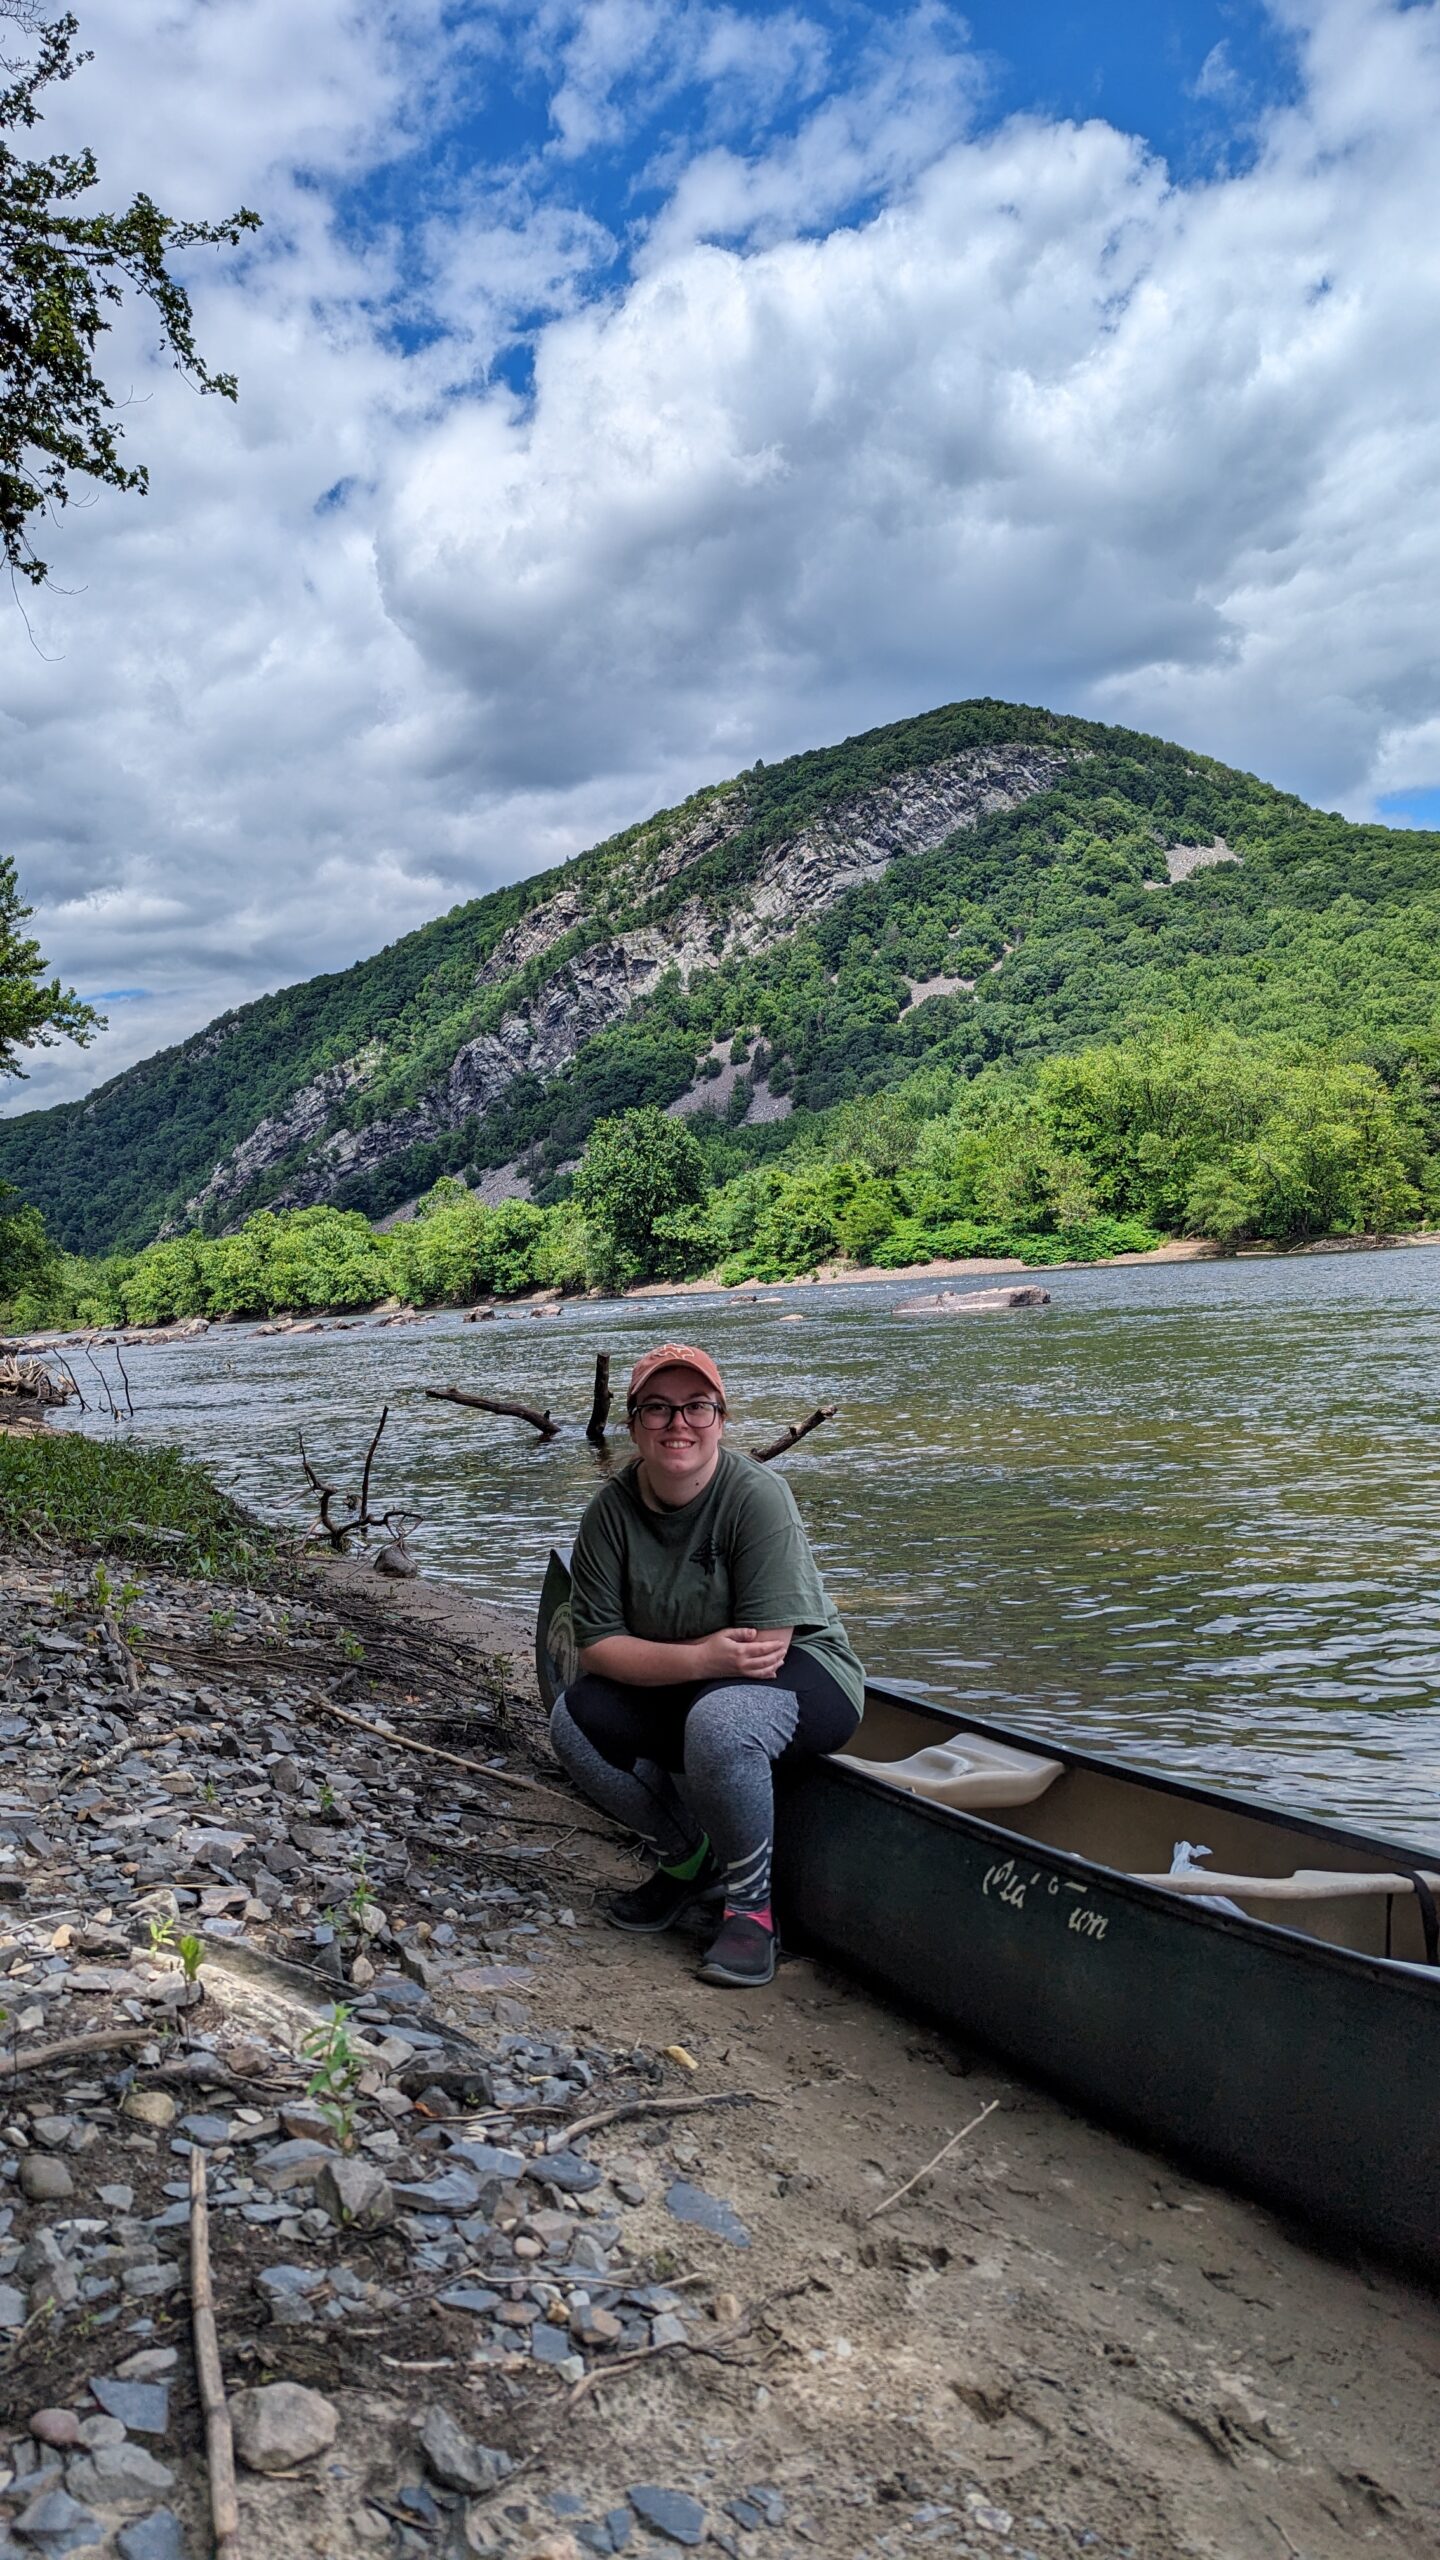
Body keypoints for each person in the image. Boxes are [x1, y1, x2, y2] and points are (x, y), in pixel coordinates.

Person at [548, 1342, 865, 1987]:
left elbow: (762, 1648)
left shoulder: (756, 1495)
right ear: (632, 1424)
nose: (678, 1425)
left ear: (720, 1418)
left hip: (804, 1675)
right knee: (572, 1720)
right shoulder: (608, 1514)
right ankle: (687, 1860)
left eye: (696, 1407)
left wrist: (667, 1663)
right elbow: (598, 1650)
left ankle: (751, 1911)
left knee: (720, 1722)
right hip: (698, 1674)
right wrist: (697, 1655)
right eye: (658, 1410)